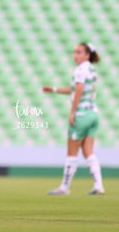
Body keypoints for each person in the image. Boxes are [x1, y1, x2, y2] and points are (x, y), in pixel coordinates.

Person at [42, 43, 105, 195]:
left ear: (87, 54)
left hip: (82, 114)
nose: (75, 55)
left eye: (79, 52)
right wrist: (55, 89)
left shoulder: (81, 69)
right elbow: (75, 88)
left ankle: (64, 187)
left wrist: (72, 112)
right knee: (88, 151)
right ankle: (99, 185)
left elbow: (78, 90)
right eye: (74, 52)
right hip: (93, 114)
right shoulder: (91, 68)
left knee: (72, 152)